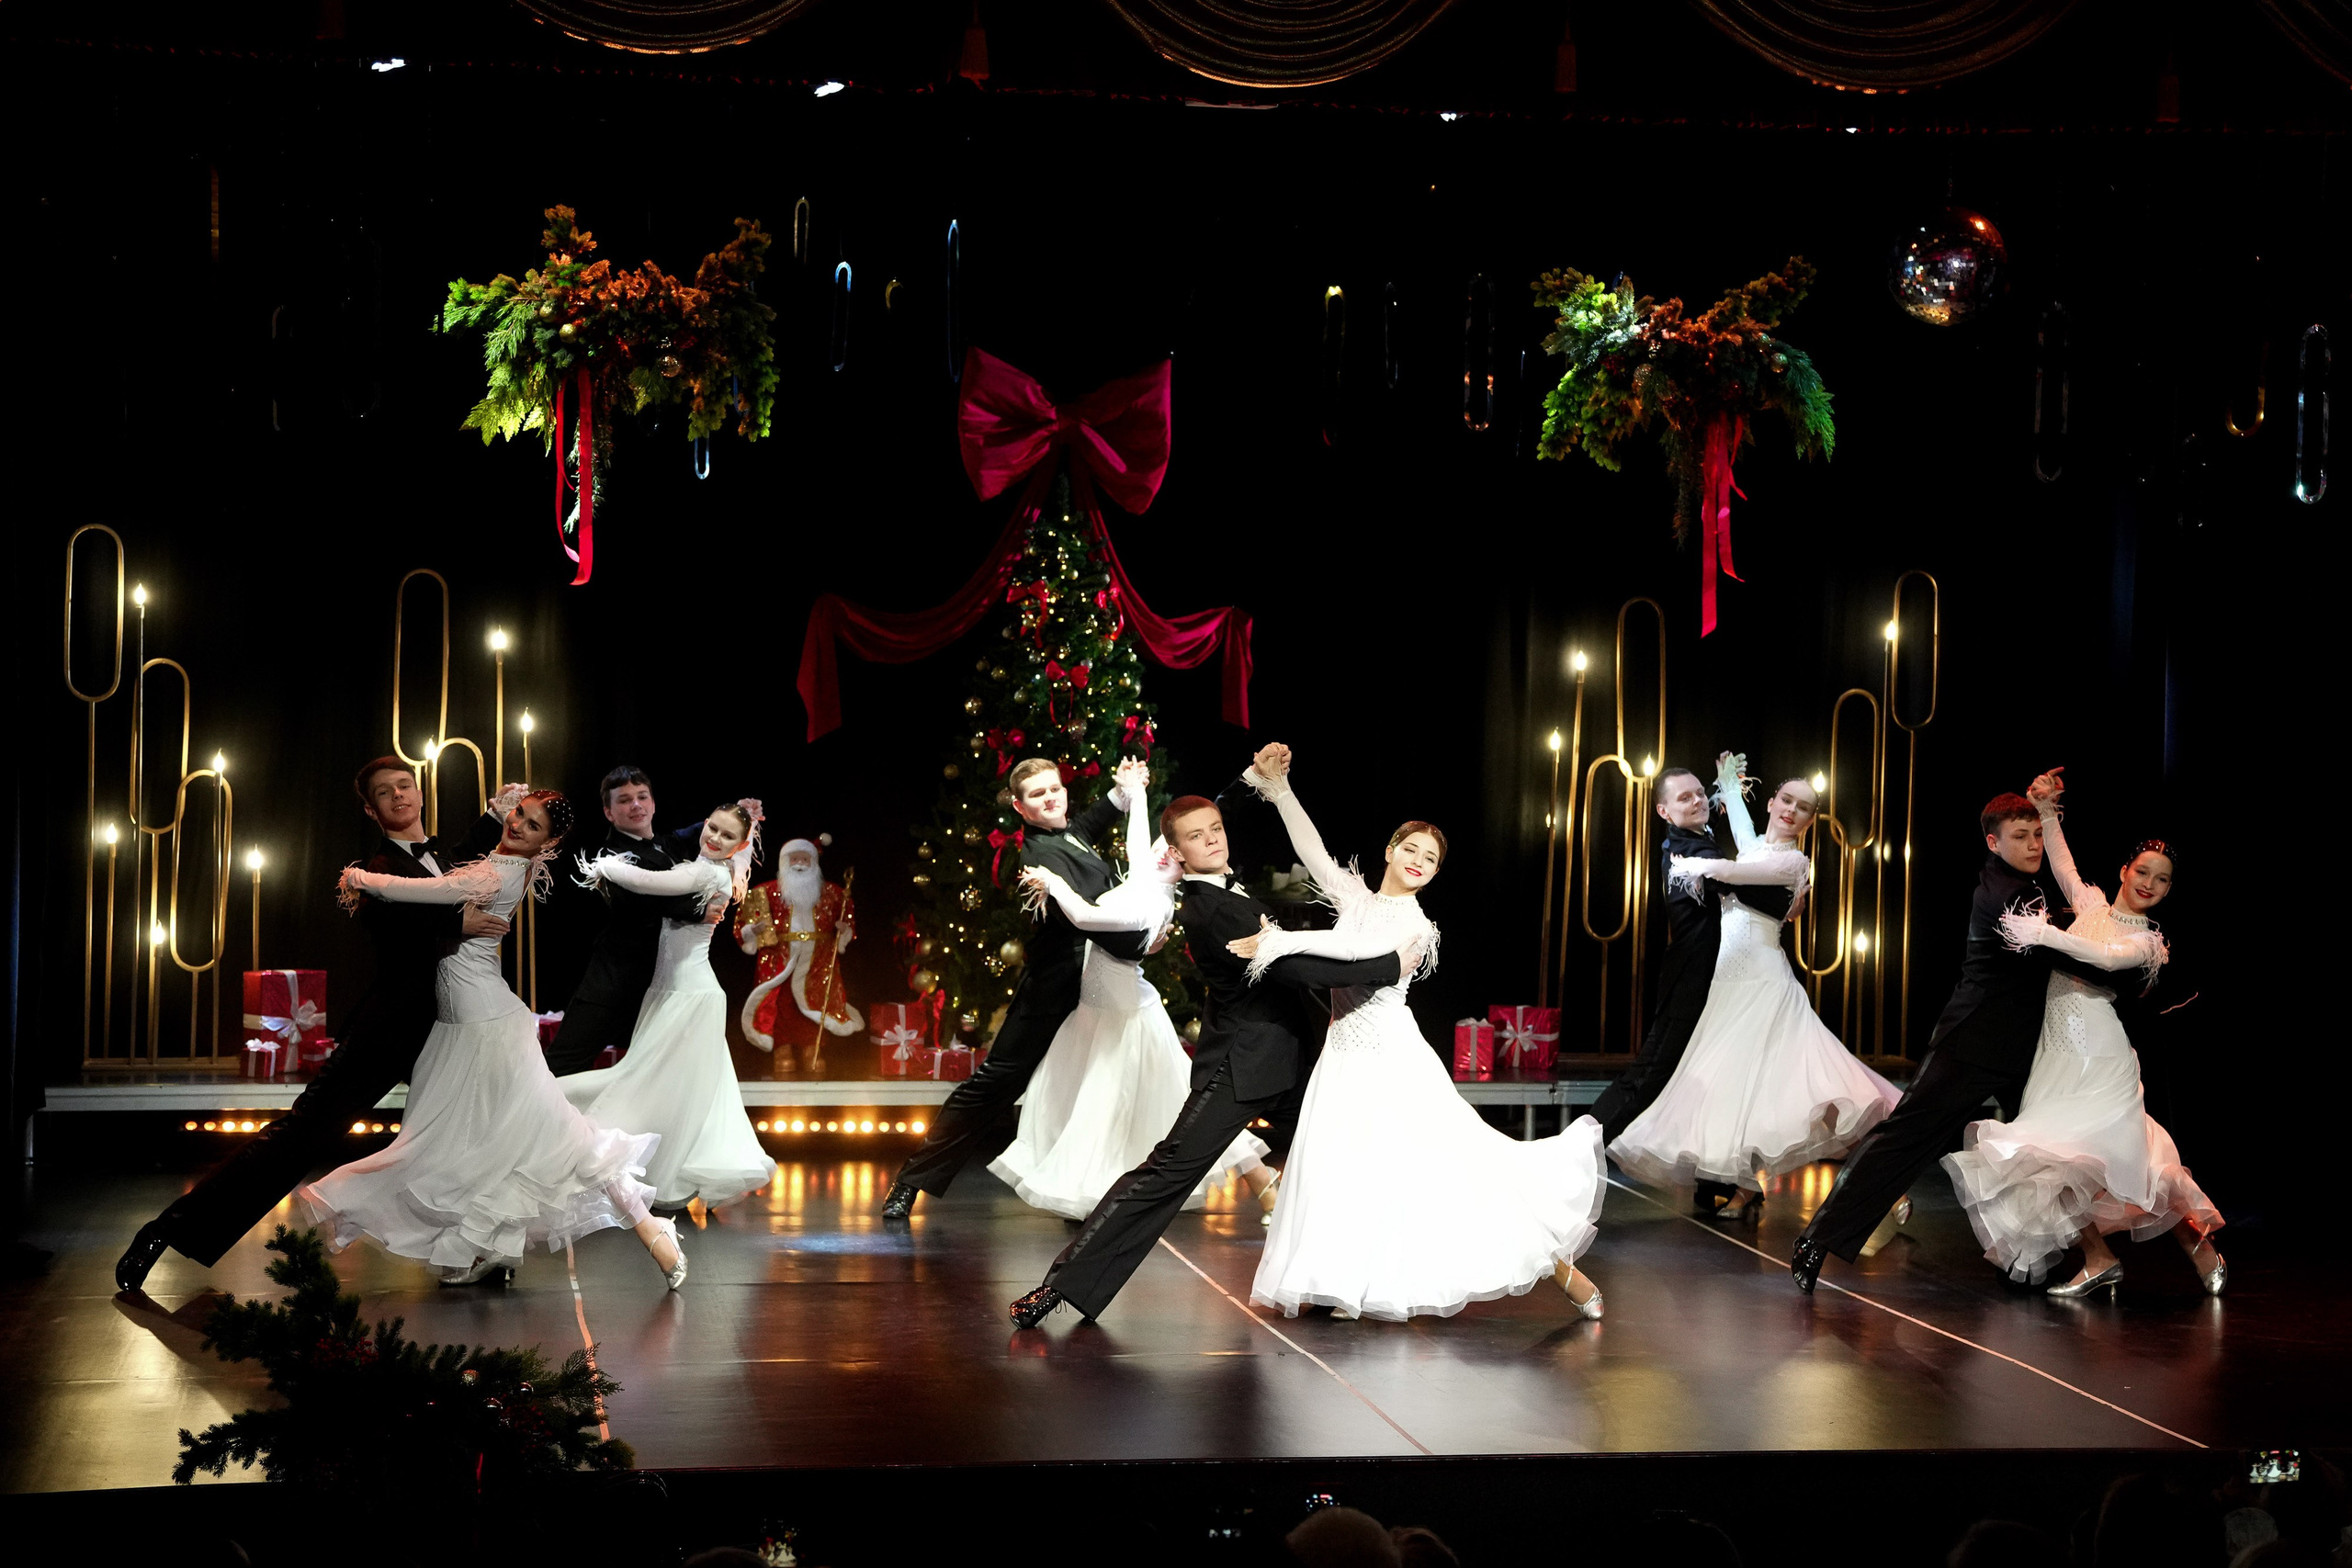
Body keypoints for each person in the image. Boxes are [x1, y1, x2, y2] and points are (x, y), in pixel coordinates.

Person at [1010, 771, 1415, 1326]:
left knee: (1338, 1156)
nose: (1214, 839)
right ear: (1176, 853)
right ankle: (1057, 1287)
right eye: (1198, 836)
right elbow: (1295, 968)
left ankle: (1340, 1282)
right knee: (1167, 1172)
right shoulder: (1210, 909)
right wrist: (1389, 966)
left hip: (1287, 1057)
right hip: (1242, 1065)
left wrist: (1255, 781)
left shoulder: (1227, 887)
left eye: (1216, 829)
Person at [1226, 745, 1608, 1323]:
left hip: (1391, 1059)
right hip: (1344, 1055)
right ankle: (1345, 1280)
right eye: (1411, 849)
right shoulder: (1359, 898)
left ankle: (1565, 1272)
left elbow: (1355, 953)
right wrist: (1280, 791)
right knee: (1346, 1168)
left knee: (1460, 1168)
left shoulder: (1416, 926)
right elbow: (1313, 851)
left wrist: (1282, 940)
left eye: (1430, 858)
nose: (1418, 861)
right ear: (1390, 850)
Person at [115, 757, 508, 1292]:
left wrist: (493, 816)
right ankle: (168, 1229)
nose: (398, 796)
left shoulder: (441, 856)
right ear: (372, 810)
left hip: (449, 1026)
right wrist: (453, 920)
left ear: (418, 794)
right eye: (384, 793)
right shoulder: (374, 870)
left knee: (473, 1132)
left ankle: (472, 1253)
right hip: (389, 1030)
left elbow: (461, 860)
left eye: (404, 786)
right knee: (301, 1135)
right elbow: (389, 915)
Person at [300, 786, 687, 1289]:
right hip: (467, 1022)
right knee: (484, 1144)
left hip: (484, 1024)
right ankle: (489, 1247)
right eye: (520, 816)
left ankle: (652, 1230)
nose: (519, 826)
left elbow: (420, 891)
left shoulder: (493, 872)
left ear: (546, 844)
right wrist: (493, 813)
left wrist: (359, 877)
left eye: (532, 827)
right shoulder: (505, 862)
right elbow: (446, 884)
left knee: (556, 1141)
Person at [1940, 769, 2222, 1296]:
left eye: (2162, 880)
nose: (2149, 884)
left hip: (2102, 1059)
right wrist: (2045, 808)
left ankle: (2195, 1242)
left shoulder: (2148, 944)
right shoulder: (2091, 903)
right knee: (2055, 1165)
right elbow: (2063, 860)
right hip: (2057, 1055)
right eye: (2143, 871)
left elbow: (2104, 957)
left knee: (2116, 1164)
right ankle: (2098, 1257)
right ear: (2124, 869)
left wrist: (2044, 934)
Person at [1792, 787, 2075, 1292]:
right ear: (1993, 842)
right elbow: (2061, 954)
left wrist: (2047, 810)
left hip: (2022, 1047)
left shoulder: (2026, 884)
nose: (2033, 844)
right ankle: (1818, 1237)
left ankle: (2045, 1257)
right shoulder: (2002, 893)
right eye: (2020, 836)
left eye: (2037, 835)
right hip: (1971, 1043)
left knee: (2053, 1148)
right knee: (1905, 1138)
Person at [1608, 753, 1902, 1224]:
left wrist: (1695, 866)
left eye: (1803, 807)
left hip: (1765, 980)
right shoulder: (1754, 845)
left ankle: (1883, 1178)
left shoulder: (1794, 863)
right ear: (1772, 802)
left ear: (1809, 821)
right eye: (1786, 800)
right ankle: (1745, 1185)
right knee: (1737, 1089)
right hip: (1727, 982)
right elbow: (1743, 834)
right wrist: (1725, 778)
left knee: (1809, 1089)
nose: (1791, 810)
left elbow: (1736, 874)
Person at [880, 756, 1158, 1219]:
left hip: (1103, 977)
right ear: (1020, 807)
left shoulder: (1066, 833)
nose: (1050, 798)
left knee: (1102, 1080)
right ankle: (912, 1181)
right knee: (998, 1080)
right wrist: (1143, 939)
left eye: (1054, 788)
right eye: (1037, 794)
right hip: (1059, 983)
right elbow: (1084, 917)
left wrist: (1124, 791)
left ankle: (1085, 1193)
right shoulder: (1039, 854)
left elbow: (1087, 823)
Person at [989, 775, 1272, 1221]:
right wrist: (1137, 794)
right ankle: (1258, 1181)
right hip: (1098, 1006)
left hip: (1125, 1010)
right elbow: (1138, 843)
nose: (1161, 850)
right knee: (1103, 1099)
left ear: (1184, 863)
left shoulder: (1152, 905)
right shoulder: (1148, 873)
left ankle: (1257, 1181)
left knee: (1141, 1099)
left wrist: (1051, 881)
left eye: (1173, 849)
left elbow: (1085, 915)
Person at [561, 799, 779, 1213]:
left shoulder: (703, 872)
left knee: (657, 1087)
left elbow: (645, 882)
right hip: (677, 991)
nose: (714, 837)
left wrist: (602, 866)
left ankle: (655, 1174)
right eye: (712, 827)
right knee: (685, 1093)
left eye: (727, 835)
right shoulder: (709, 868)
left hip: (688, 995)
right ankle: (672, 1174)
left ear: (738, 845)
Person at [1588, 762, 1745, 1216]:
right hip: (1690, 981)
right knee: (1649, 1074)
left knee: (1714, 1077)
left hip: (1715, 982)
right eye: (1684, 798)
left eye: (1700, 793)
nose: (1697, 801)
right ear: (1664, 810)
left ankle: (1714, 1180)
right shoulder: (1686, 849)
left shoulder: (1698, 840)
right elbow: (1747, 888)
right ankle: (1576, 1151)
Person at [544, 766, 725, 1077]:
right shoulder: (611, 856)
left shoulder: (667, 844)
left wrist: (741, 811)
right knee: (564, 1065)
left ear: (653, 803)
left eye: (642, 797)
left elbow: (708, 829)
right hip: (614, 981)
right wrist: (696, 910)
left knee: (665, 1070)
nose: (636, 805)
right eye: (625, 800)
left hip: (663, 981)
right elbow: (637, 904)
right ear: (609, 812)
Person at [735, 832, 861, 1075]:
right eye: (795, 859)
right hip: (779, 959)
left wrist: (844, 930)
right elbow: (744, 923)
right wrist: (753, 930)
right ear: (785, 862)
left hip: (818, 961)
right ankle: (782, 1050)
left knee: (815, 1004)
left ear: (814, 863)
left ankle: (812, 1050)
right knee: (781, 1005)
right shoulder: (765, 891)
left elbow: (847, 920)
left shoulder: (834, 893)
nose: (801, 864)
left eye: (806, 859)